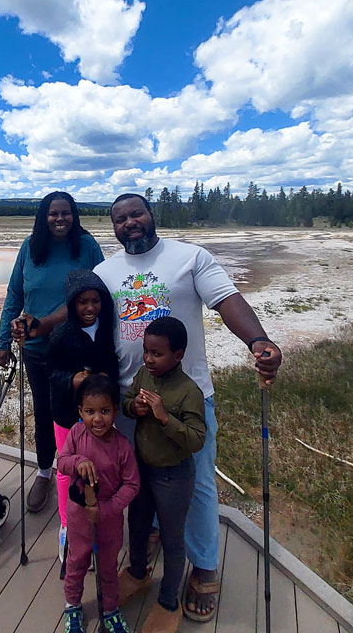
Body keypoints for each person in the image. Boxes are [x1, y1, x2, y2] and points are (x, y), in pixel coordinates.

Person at [93, 193, 282, 622]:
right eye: (120, 219)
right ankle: (143, 559)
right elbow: (84, 319)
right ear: (114, 227)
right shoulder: (104, 272)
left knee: (195, 485)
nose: (129, 223)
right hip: (129, 399)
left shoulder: (190, 257)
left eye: (136, 213)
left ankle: (204, 568)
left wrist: (259, 341)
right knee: (136, 480)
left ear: (151, 215)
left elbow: (227, 301)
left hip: (187, 397)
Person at [0, 192, 104, 513]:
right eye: (53, 213)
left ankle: (83, 474)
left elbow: (100, 293)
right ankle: (45, 471)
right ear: (43, 217)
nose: (60, 219)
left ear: (75, 216)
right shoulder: (30, 248)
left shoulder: (87, 247)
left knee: (82, 414)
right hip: (37, 350)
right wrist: (3, 341)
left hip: (79, 348)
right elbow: (15, 294)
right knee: (43, 412)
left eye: (66, 213)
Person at [118, 317, 206, 633]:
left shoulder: (189, 391)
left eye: (157, 354)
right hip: (142, 468)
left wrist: (164, 417)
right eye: (146, 351)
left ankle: (169, 600)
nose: (148, 359)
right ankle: (138, 573)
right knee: (138, 523)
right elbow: (127, 401)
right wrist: (135, 409)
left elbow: (197, 439)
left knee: (171, 536)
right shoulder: (144, 375)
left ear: (178, 356)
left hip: (173, 476)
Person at [57, 374, 140, 633]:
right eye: (90, 411)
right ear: (80, 411)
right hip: (79, 514)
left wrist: (106, 509)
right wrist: (78, 462)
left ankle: (110, 609)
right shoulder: (76, 434)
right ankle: (73, 605)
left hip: (109, 517)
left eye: (104, 411)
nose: (97, 418)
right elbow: (62, 462)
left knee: (107, 565)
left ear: (116, 410)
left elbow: (132, 485)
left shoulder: (122, 447)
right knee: (77, 560)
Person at [47, 269, 119, 561]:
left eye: (95, 301)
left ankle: (96, 514)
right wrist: (71, 381)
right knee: (67, 469)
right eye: (82, 302)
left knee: (99, 464)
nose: (90, 308)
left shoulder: (106, 328)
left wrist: (106, 377)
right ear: (71, 304)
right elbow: (50, 373)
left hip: (99, 414)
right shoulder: (61, 334)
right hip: (67, 413)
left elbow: (113, 363)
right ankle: (67, 523)